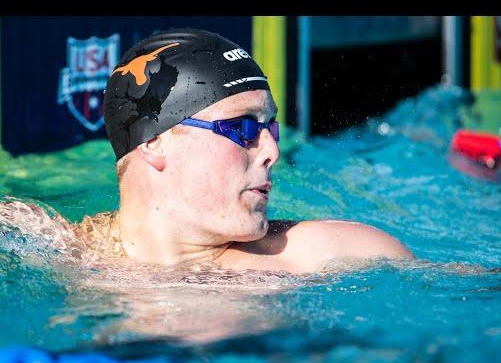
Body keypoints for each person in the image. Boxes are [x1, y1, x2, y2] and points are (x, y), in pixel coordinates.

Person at [52, 28, 414, 274]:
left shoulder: (329, 256)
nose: (272, 150)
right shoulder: (52, 251)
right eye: (241, 128)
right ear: (154, 142)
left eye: (269, 127)